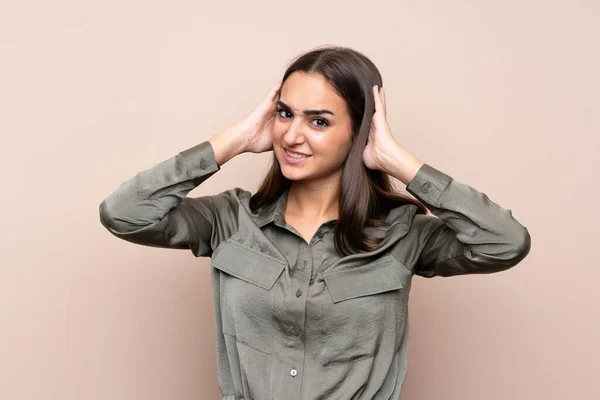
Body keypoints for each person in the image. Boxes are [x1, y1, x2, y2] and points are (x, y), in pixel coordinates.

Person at [99, 46, 531, 400]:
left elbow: (505, 243)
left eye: (319, 121)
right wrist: (233, 140)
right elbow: (123, 213)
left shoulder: (403, 233)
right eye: (286, 114)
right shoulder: (229, 219)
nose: (291, 136)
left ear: (359, 132)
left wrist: (400, 163)